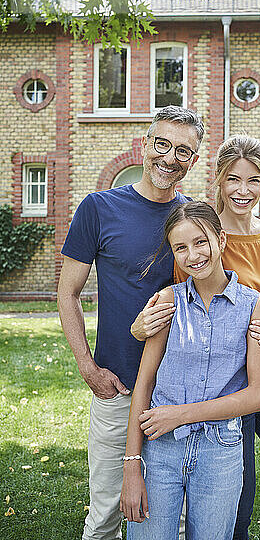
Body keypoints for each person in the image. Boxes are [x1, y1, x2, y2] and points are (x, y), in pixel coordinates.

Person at [131, 134, 260, 540]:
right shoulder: (203, 239)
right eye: (233, 180)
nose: (243, 191)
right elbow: (182, 315)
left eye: (253, 180)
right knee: (231, 522)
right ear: (219, 182)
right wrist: (138, 328)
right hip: (221, 396)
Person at [57, 105, 204, 540]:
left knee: (167, 520)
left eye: (183, 151)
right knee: (104, 515)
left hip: (175, 392)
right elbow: (67, 293)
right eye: (162, 144)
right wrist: (88, 367)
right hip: (117, 384)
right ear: (145, 144)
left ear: (193, 162)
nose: (169, 157)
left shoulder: (193, 219)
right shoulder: (99, 208)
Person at [120, 201, 260, 540]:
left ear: (221, 240)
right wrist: (132, 464)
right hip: (160, 451)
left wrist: (181, 415)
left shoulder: (253, 306)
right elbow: (144, 385)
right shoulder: (166, 302)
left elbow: (259, 395)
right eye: (181, 247)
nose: (193, 255)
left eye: (201, 242)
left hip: (221, 450)